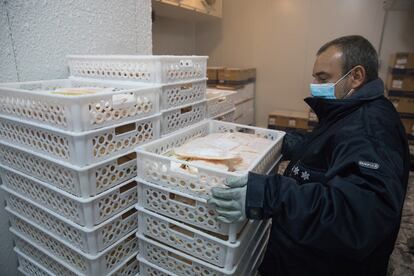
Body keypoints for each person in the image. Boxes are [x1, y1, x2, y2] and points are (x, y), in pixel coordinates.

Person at [207, 35, 410, 276]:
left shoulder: (371, 130)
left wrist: (270, 193)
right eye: (315, 77)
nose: (314, 84)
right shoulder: (353, 110)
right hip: (302, 252)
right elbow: (333, 150)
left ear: (356, 76)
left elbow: (355, 220)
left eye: (322, 78)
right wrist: (292, 144)